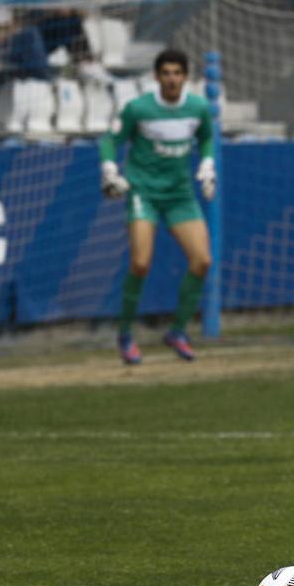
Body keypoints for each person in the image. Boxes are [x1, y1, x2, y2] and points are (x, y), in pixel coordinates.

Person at [98, 48, 216, 364]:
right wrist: (110, 169)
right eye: (167, 73)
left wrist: (207, 163)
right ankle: (125, 334)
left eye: (178, 73)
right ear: (157, 76)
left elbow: (206, 137)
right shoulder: (139, 108)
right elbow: (110, 140)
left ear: (185, 77)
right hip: (143, 192)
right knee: (140, 263)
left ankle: (177, 331)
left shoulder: (198, 106)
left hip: (180, 194)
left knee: (202, 261)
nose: (172, 79)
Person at [25, 0, 114, 85]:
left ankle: (86, 63)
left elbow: (85, 13)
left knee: (72, 22)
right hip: (39, 37)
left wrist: (72, 10)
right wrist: (53, 12)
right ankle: (86, 63)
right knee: (70, 23)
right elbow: (26, 19)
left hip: (60, 32)